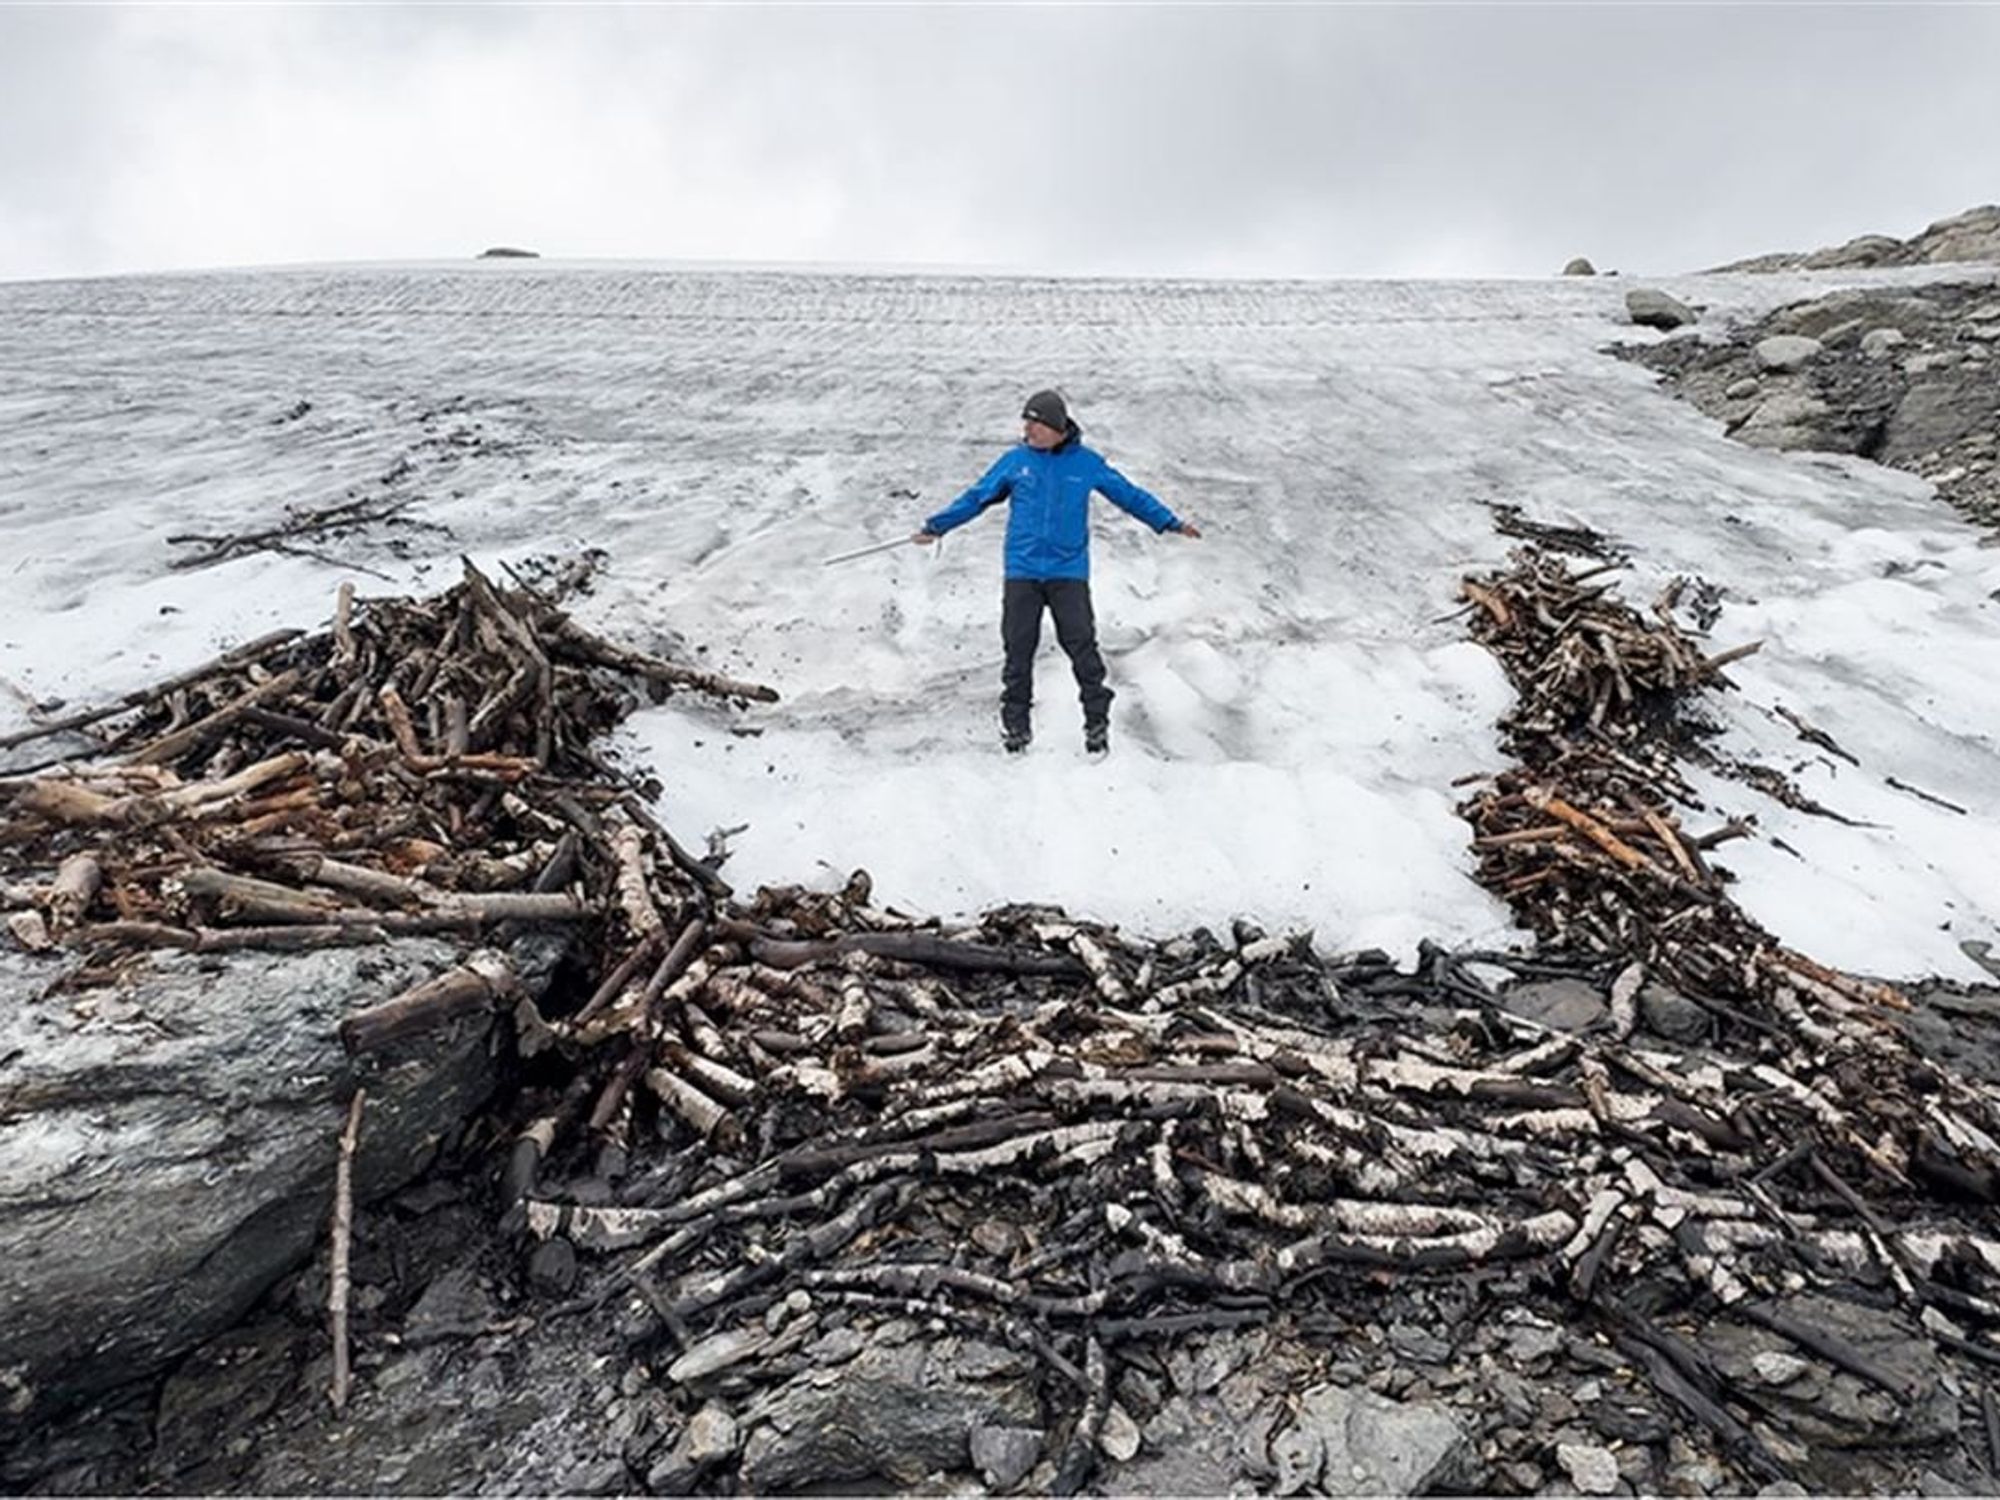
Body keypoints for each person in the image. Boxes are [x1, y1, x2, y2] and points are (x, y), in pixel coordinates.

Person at [913, 390, 1202, 756]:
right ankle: (1016, 731)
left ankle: (1096, 724)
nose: (1027, 430)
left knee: (1082, 648)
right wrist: (937, 526)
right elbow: (977, 497)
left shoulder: (1086, 463)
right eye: (1026, 423)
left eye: (1034, 424)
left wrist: (1169, 522)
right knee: (1018, 651)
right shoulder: (1015, 462)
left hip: (1068, 573)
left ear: (1056, 427)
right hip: (1023, 571)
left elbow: (1130, 495)